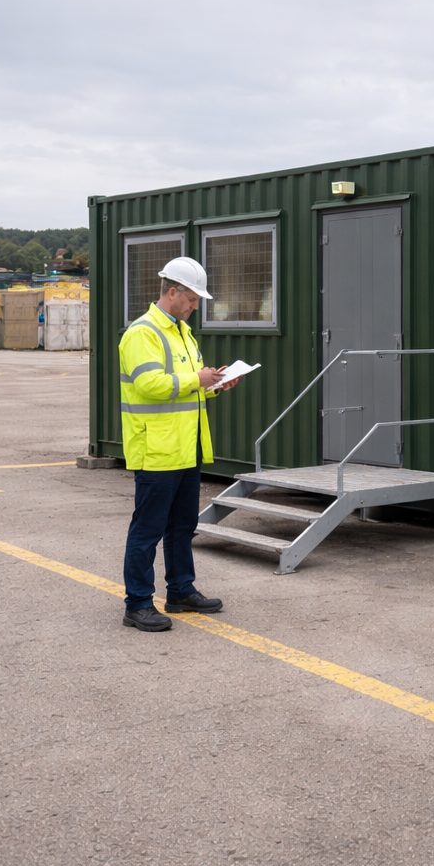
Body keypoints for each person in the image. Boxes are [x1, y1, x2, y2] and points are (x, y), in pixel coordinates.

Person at [118, 256, 240, 632]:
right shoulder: (143, 333)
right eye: (191, 298)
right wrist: (196, 379)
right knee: (148, 530)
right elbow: (150, 385)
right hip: (156, 452)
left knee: (182, 527)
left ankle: (180, 591)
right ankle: (137, 602)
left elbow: (189, 388)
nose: (195, 305)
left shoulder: (182, 332)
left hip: (185, 449)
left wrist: (216, 385)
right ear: (172, 292)